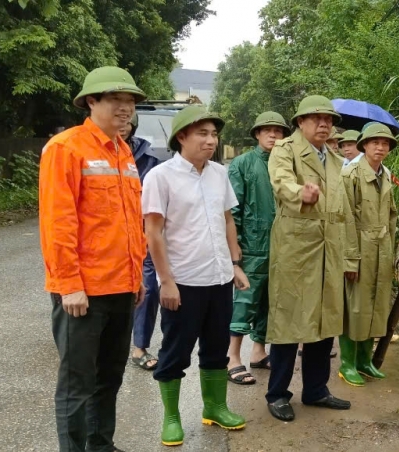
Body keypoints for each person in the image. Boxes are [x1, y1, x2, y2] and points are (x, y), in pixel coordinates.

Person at [39, 66, 148, 452]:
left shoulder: (123, 152)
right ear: (91, 101)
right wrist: (69, 285)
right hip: (83, 292)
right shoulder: (66, 148)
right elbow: (58, 223)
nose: (126, 108)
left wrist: (136, 279)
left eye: (131, 101)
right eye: (116, 99)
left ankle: (101, 445)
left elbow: (131, 222)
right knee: (77, 383)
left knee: (110, 378)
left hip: (121, 287)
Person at [143, 105, 249, 446]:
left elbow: (228, 220)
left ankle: (215, 407)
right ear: (182, 137)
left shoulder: (219, 173)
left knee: (217, 348)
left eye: (214, 134)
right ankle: (172, 417)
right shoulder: (160, 177)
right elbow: (154, 233)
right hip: (183, 282)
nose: (211, 140)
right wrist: (166, 281)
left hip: (218, 279)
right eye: (202, 133)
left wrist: (234, 263)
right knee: (175, 351)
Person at [264, 94, 359, 422]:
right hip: (296, 249)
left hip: (329, 250)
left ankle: (316, 390)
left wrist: (349, 257)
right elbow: (281, 183)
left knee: (325, 321)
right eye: (317, 118)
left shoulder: (334, 160)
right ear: (300, 122)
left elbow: (343, 211)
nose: (324, 124)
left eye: (329, 120)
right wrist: (298, 193)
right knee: (289, 321)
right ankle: (277, 393)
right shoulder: (285, 150)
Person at [338, 122, 399, 386]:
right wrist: (349, 258)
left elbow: (392, 216)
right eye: (375, 143)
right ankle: (347, 364)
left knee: (376, 305)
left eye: (385, 144)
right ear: (364, 146)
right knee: (355, 307)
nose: (380, 147)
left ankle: (364, 361)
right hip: (359, 249)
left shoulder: (386, 175)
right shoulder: (350, 175)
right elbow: (344, 218)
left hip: (381, 250)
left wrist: (392, 253)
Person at [225, 111, 290, 385]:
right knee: (245, 300)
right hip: (251, 244)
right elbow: (232, 208)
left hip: (281, 245)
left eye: (278, 131)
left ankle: (259, 351)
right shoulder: (242, 164)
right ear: (257, 134)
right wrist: (235, 247)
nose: (273, 135)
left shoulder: (285, 164)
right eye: (267, 130)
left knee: (270, 301)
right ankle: (232, 357)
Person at [121, 114, 162, 372]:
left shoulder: (150, 160)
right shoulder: (92, 155)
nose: (122, 126)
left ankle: (139, 347)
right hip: (108, 239)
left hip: (142, 235)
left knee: (148, 288)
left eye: (127, 123)